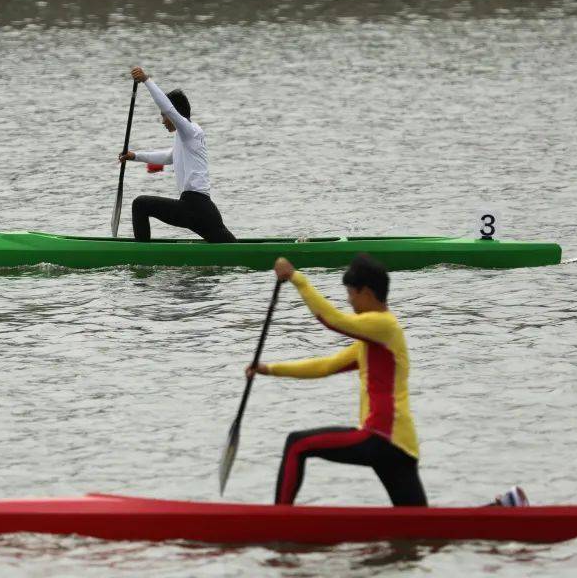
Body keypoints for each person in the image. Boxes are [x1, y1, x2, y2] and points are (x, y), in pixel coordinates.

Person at [247, 253, 427, 506]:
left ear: (366, 292)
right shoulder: (374, 341)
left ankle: (278, 521)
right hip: (402, 448)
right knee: (418, 523)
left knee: (297, 444)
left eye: (351, 293)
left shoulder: (383, 325)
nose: (349, 300)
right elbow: (325, 366)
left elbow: (332, 320)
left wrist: (296, 278)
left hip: (380, 436)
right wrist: (269, 369)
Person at [119, 66, 236, 243]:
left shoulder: (190, 131)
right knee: (230, 248)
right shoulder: (187, 136)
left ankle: (142, 256)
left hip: (195, 206)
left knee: (140, 204)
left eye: (164, 116)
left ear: (173, 114)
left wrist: (146, 80)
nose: (163, 121)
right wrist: (135, 156)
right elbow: (168, 157)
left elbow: (168, 107)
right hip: (200, 208)